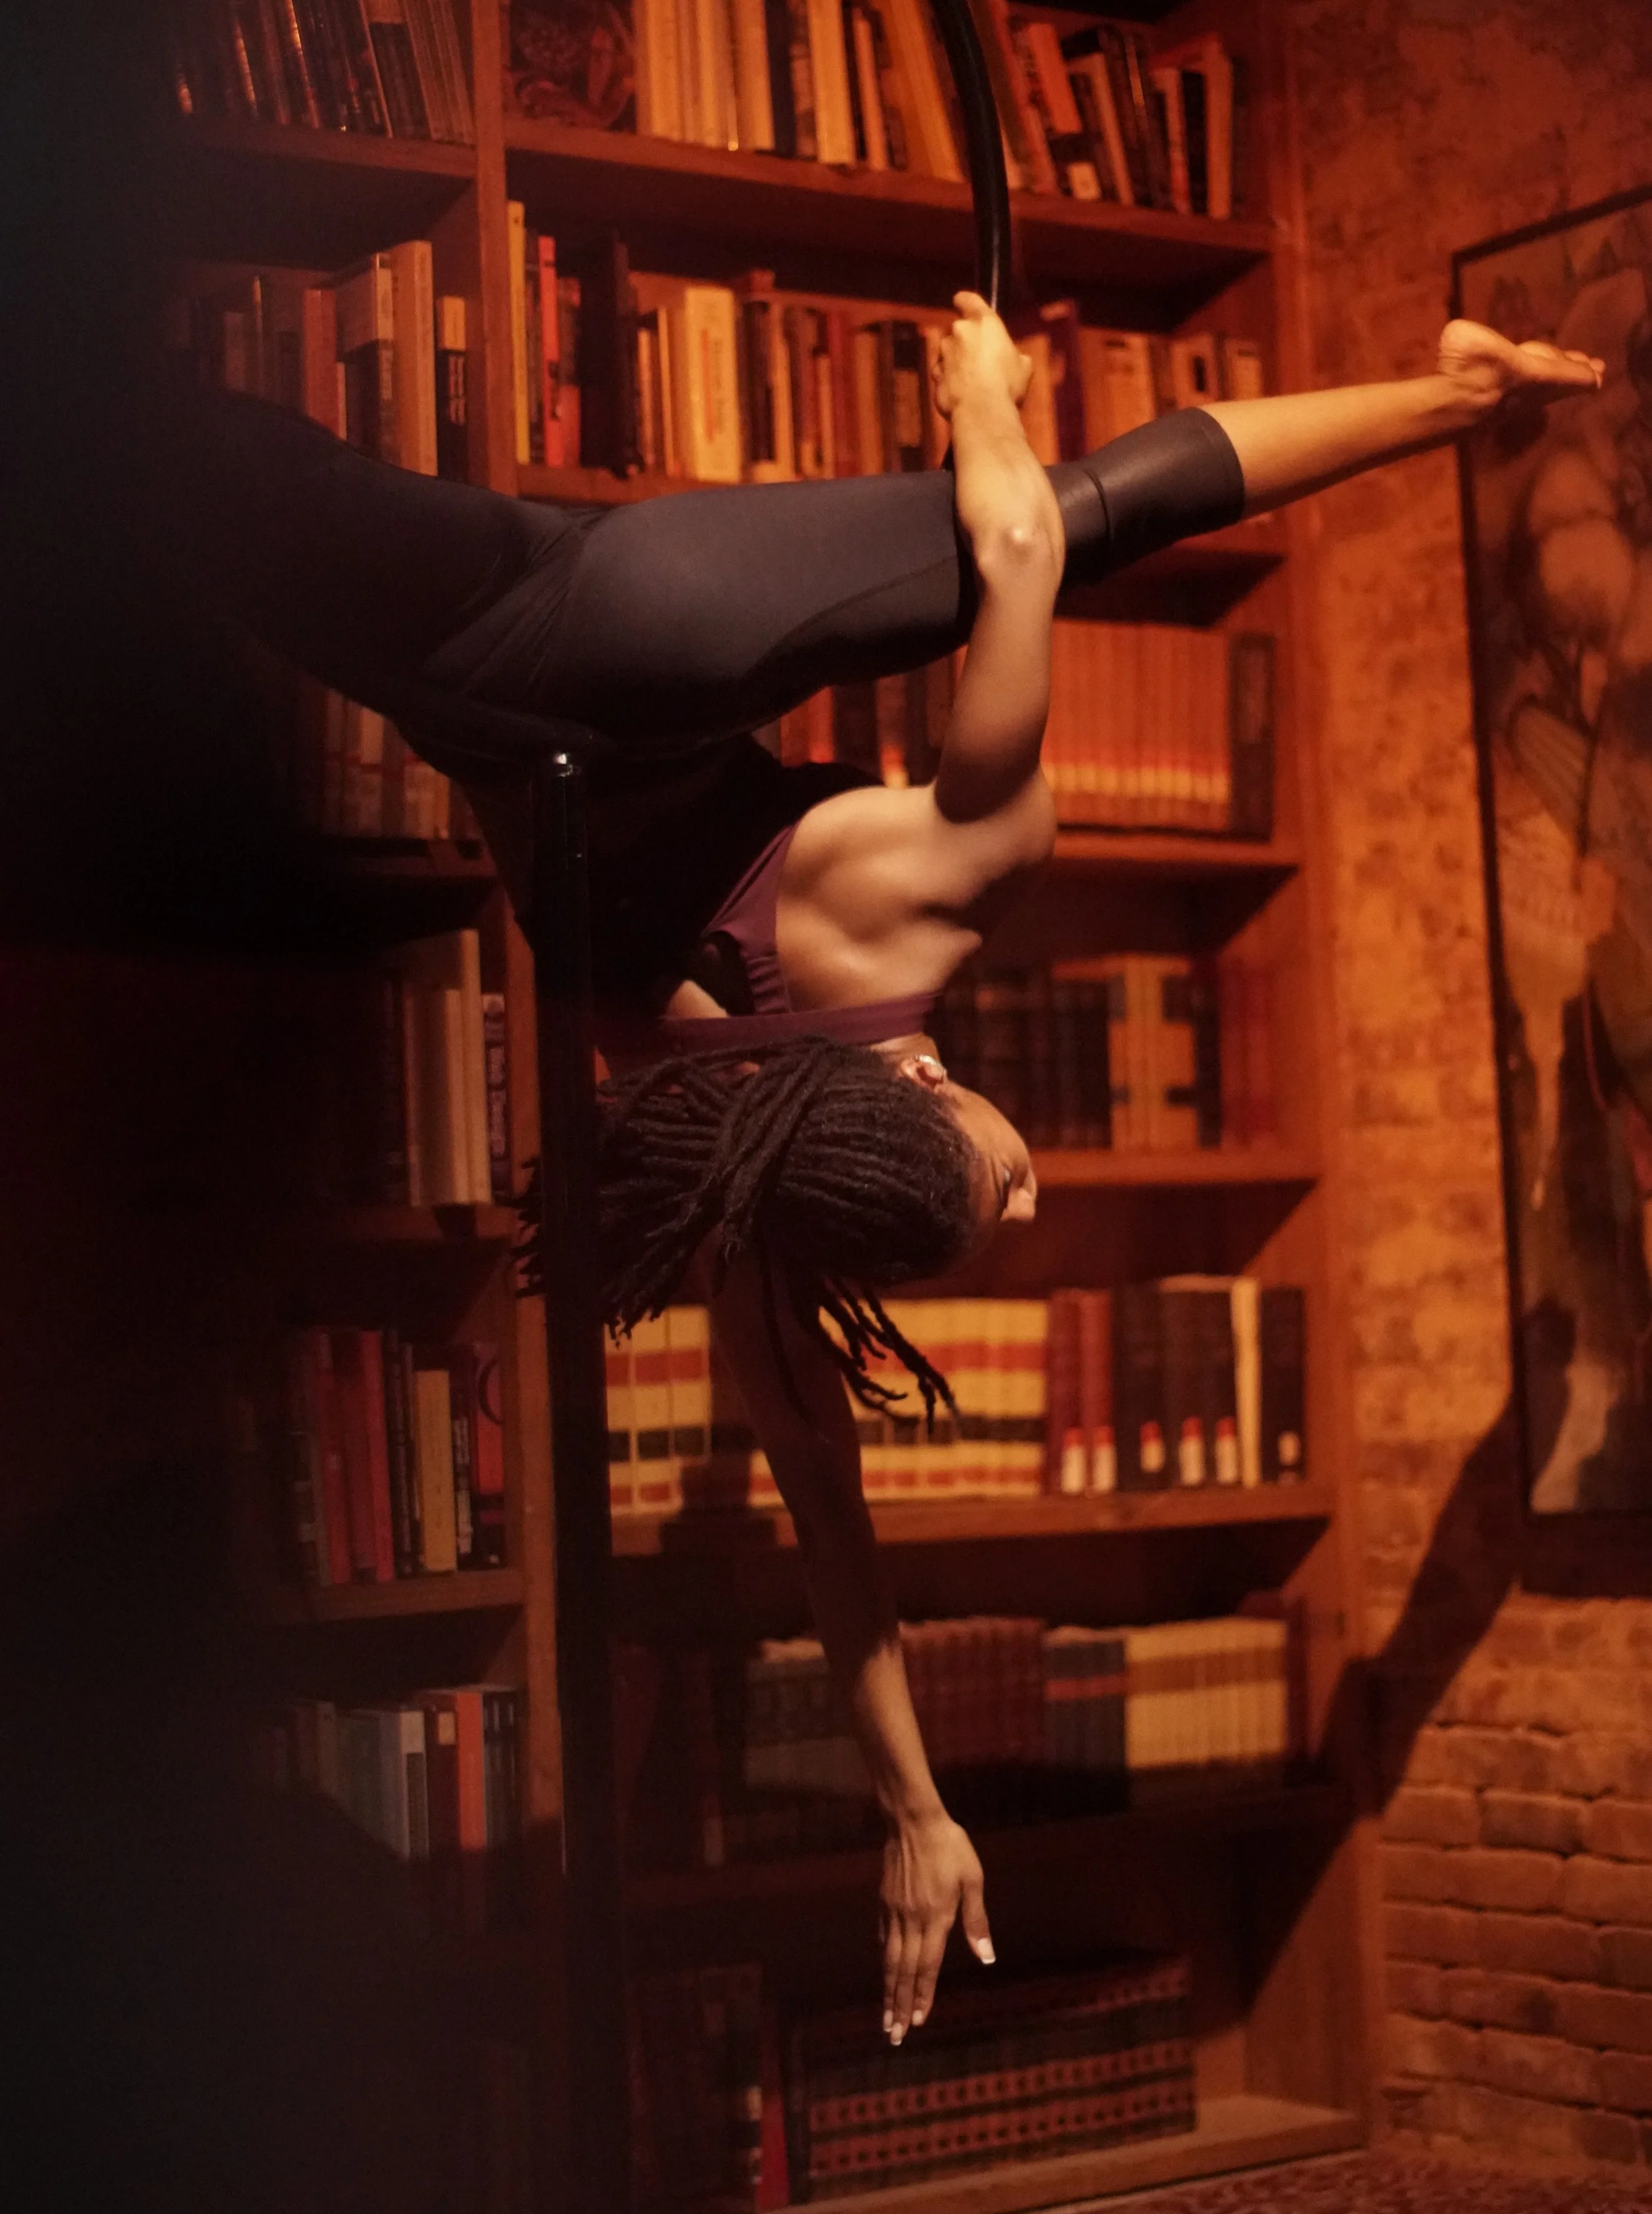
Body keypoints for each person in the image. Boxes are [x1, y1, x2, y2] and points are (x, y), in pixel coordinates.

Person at [148, 299, 1600, 2039]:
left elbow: (1021, 533)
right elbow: (836, 1556)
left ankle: (1445, 385)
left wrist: (978, 395)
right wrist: (917, 1806)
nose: (1036, 1187)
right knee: (191, 483)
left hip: (645, 638)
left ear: (917, 1108)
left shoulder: (941, 881)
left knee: (1075, 500)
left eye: (997, 1185)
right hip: (462, 670)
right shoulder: (738, 1195)